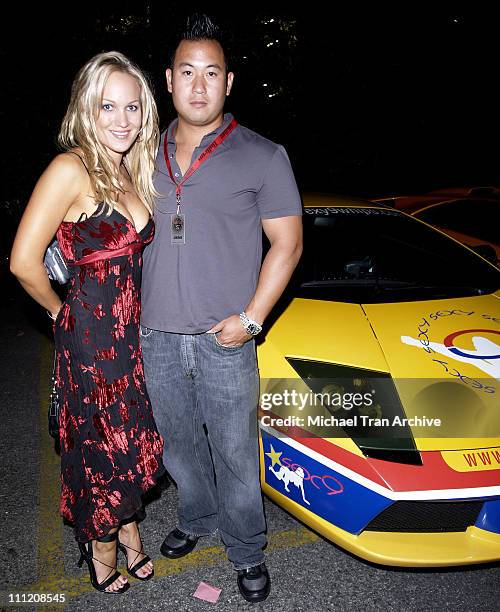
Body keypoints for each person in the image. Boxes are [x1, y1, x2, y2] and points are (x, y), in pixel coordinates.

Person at [140, 14, 303, 603]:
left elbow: (288, 244)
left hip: (225, 336)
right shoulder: (139, 153)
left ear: (229, 82)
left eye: (212, 73)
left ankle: (246, 549)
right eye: (188, 72)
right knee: (177, 443)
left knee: (235, 449)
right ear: (168, 79)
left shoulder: (262, 155)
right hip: (155, 334)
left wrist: (252, 320)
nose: (199, 85)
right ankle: (197, 516)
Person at [10, 51, 165, 594]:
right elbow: (23, 261)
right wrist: (59, 313)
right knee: (103, 447)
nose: (123, 120)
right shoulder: (70, 168)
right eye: (108, 107)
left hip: (130, 337)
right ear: (86, 109)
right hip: (91, 344)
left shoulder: (126, 166)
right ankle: (101, 545)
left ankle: (128, 529)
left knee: (128, 441)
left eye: (132, 108)